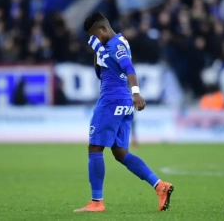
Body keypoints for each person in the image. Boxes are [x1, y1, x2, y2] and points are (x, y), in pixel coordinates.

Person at [74, 12, 174, 213]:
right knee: (120, 153)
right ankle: (159, 185)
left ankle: (96, 202)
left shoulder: (115, 46)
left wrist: (136, 92)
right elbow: (101, 70)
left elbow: (129, 67)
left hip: (112, 100)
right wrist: (97, 49)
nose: (94, 39)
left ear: (103, 29)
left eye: (96, 35)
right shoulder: (113, 42)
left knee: (94, 148)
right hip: (123, 101)